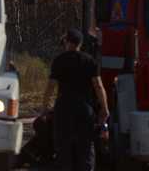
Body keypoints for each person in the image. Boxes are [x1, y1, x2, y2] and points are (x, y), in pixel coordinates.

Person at [42, 28, 110, 171]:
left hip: (64, 108)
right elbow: (98, 86)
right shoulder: (90, 61)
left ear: (67, 42)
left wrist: (45, 108)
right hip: (85, 109)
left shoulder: (59, 61)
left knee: (63, 148)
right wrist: (104, 108)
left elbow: (50, 87)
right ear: (80, 43)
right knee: (86, 147)